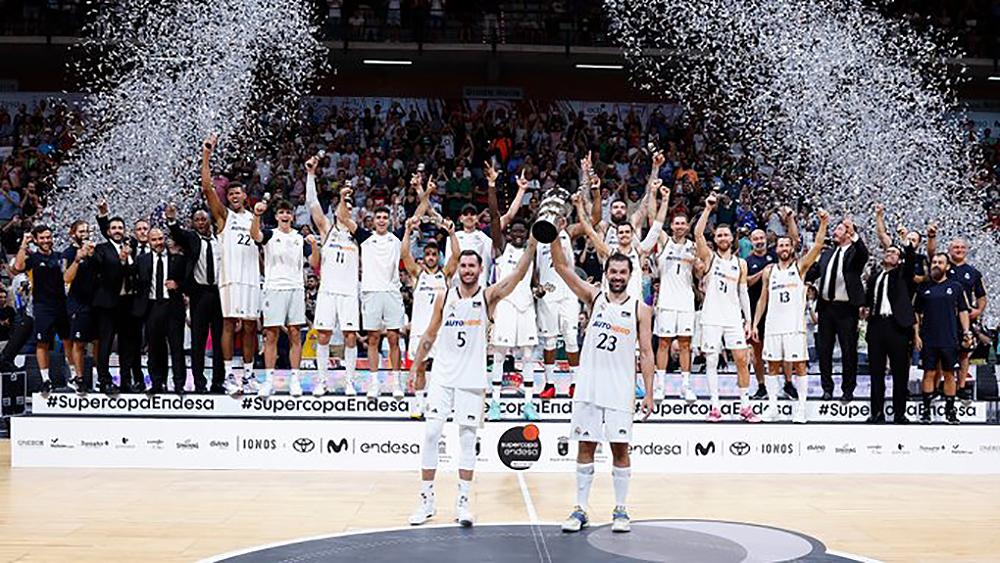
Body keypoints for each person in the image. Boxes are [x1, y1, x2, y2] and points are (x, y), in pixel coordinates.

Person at [407, 240, 538, 528]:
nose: (467, 270)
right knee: (431, 434)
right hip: (442, 375)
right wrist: (416, 365)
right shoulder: (444, 296)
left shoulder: (488, 297)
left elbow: (516, 275)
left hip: (472, 379)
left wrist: (532, 245)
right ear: (458, 269)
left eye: (472, 266)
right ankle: (426, 500)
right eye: (463, 265)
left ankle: (463, 502)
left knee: (467, 440)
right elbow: (429, 334)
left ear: (481, 269)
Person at [547, 233, 655, 534]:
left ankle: (621, 509)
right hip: (590, 387)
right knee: (586, 446)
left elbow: (646, 353)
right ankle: (580, 509)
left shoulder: (640, 309)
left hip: (620, 389)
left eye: (622, 272)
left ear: (630, 275)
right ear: (606, 274)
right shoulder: (593, 297)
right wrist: (553, 231)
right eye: (613, 272)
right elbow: (561, 267)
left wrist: (648, 392)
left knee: (621, 450)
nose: (617, 277)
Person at [752, 210, 828, 423]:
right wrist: (755, 324)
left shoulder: (800, 267)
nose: (784, 248)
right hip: (773, 326)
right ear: (776, 249)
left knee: (800, 366)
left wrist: (823, 223)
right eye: (780, 245)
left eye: (787, 245)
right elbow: (762, 300)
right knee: (772, 366)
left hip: (795, 326)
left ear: (792, 248)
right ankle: (773, 408)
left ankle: (801, 408)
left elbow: (818, 246)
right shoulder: (769, 271)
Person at [201, 134, 261, 396]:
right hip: (230, 278)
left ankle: (248, 376)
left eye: (239, 193)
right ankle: (228, 375)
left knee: (250, 326)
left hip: (251, 278)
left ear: (245, 196)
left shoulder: (254, 218)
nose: (235, 196)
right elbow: (206, 187)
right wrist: (207, 154)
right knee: (228, 324)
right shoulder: (223, 216)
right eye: (231, 193)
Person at [694, 194, 758, 422]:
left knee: (742, 359)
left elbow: (743, 294)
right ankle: (714, 406)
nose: (722, 237)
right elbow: (698, 234)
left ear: (732, 238)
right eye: (719, 234)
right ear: (716, 238)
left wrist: (749, 321)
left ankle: (745, 406)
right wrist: (707, 209)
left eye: (726, 234)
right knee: (711, 360)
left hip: (732, 318)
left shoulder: (740, 263)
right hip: (711, 317)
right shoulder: (710, 258)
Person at [339, 189, 405, 400]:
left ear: (390, 220)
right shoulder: (365, 238)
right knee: (373, 339)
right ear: (372, 220)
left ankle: (397, 384)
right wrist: (343, 197)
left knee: (394, 338)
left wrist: (423, 192)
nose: (382, 220)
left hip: (393, 293)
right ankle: (374, 383)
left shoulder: (396, 237)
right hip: (371, 293)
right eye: (379, 217)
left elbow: (418, 215)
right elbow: (343, 217)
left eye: (386, 217)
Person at [486, 165, 540, 421]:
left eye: (522, 232)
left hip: (526, 306)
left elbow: (534, 281)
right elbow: (496, 217)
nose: (519, 234)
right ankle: (495, 403)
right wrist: (493, 186)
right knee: (499, 355)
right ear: (508, 234)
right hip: (505, 306)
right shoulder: (501, 247)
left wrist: (539, 290)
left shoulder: (532, 252)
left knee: (528, 356)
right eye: (515, 231)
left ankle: (528, 404)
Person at [305, 157, 360, 396]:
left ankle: (349, 381)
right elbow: (312, 203)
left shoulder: (358, 233)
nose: (344, 209)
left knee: (350, 337)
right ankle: (322, 381)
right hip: (328, 291)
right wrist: (311, 174)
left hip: (349, 291)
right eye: (342, 205)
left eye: (348, 206)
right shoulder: (327, 229)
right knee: (324, 335)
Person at [401, 214, 459, 419]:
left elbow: (456, 257)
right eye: (428, 254)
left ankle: (442, 404)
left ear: (438, 256)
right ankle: (419, 405)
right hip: (419, 331)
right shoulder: (418, 275)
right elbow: (405, 254)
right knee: (420, 368)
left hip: (441, 331)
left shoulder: (445, 275)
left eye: (435, 254)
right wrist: (407, 231)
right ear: (424, 256)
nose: (432, 257)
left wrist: (452, 233)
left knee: (444, 368)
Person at [250, 198, 310, 397]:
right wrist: (257, 215)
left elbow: (314, 260)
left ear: (292, 216)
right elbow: (254, 235)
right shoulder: (269, 234)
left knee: (294, 333)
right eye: (281, 212)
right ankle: (268, 380)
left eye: (288, 212)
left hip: (295, 288)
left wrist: (315, 246)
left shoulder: (300, 238)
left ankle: (295, 380)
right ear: (276, 216)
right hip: (274, 288)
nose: (285, 216)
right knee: (271, 335)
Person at [166, 203, 224, 393]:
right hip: (199, 293)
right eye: (197, 220)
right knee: (198, 341)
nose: (200, 223)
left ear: (210, 221)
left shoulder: (221, 240)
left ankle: (218, 382)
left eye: (203, 219)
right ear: (193, 223)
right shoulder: (191, 239)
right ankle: (199, 383)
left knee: (219, 341)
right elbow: (177, 234)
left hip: (220, 293)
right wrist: (172, 220)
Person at [862, 235, 917, 425]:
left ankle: (899, 413)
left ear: (899, 259)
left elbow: (910, 262)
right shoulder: (875, 277)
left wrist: (907, 245)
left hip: (897, 326)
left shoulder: (903, 274)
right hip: (877, 324)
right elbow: (869, 299)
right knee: (876, 371)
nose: (890, 254)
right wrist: (865, 308)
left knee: (900, 372)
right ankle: (877, 412)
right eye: (888, 251)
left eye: (894, 252)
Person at [812, 216, 868, 402]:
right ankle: (827, 389)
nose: (834, 232)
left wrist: (854, 235)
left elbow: (863, 254)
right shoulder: (827, 253)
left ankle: (848, 390)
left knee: (848, 351)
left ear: (848, 234)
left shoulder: (854, 251)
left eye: (839, 229)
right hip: (826, 307)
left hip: (847, 309)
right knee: (824, 350)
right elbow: (814, 272)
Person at [12, 225, 73, 394]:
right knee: (42, 343)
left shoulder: (59, 256)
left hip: (61, 305)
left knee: (68, 341)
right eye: (43, 238)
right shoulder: (33, 258)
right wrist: (24, 243)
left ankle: (75, 376)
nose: (46, 240)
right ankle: (46, 380)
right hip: (42, 306)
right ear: (36, 240)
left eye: (48, 237)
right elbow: (17, 266)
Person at [915, 253, 973, 424]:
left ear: (947, 266)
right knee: (929, 373)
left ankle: (950, 411)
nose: (936, 265)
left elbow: (963, 310)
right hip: (928, 338)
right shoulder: (924, 287)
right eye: (934, 262)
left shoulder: (956, 287)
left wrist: (967, 332)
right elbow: (916, 313)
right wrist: (916, 335)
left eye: (940, 262)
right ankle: (926, 411)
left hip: (949, 337)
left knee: (949, 374)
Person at [131, 228, 187, 394]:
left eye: (161, 238)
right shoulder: (142, 260)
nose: (158, 242)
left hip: (173, 307)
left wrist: (178, 285)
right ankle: (157, 383)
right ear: (149, 241)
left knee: (177, 348)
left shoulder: (177, 259)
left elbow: (189, 281)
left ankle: (179, 385)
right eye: (154, 239)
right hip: (152, 307)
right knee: (155, 348)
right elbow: (133, 280)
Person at [89, 214, 138, 395]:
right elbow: (103, 270)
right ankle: (104, 380)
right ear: (108, 232)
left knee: (127, 345)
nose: (118, 231)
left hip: (127, 304)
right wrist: (121, 260)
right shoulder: (102, 249)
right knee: (106, 344)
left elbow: (133, 273)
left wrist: (127, 259)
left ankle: (126, 381)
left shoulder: (131, 247)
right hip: (107, 304)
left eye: (120, 228)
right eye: (114, 228)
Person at [944, 238, 986, 403]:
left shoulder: (973, 272)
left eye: (962, 247)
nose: (959, 250)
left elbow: (981, 296)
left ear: (967, 250)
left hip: (965, 318)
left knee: (964, 354)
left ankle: (961, 388)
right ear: (950, 249)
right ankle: (945, 387)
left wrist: (978, 311)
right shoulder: (943, 267)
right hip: (945, 317)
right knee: (944, 354)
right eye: (955, 247)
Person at [61, 220, 96, 394]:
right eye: (81, 231)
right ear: (72, 233)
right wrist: (78, 258)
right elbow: (66, 278)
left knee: (99, 340)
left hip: (95, 304)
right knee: (79, 343)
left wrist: (92, 255)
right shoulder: (68, 253)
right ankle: (79, 378)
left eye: (87, 231)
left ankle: (99, 376)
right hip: (77, 305)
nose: (85, 234)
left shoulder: (94, 251)